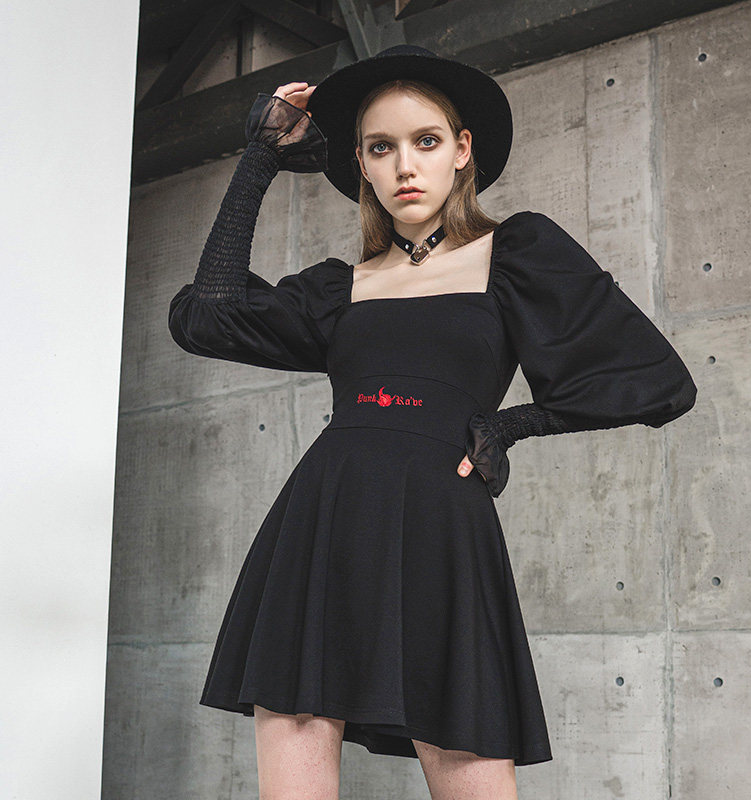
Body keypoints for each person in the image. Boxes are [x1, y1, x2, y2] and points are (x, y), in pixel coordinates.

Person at [168, 44, 697, 800]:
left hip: (441, 528)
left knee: (472, 766)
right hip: (323, 523)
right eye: (381, 148)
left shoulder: (516, 252)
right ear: (361, 164)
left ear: (462, 150)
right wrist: (260, 158)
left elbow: (658, 381)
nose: (404, 166)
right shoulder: (338, 289)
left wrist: (513, 425)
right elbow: (208, 315)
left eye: (425, 141)